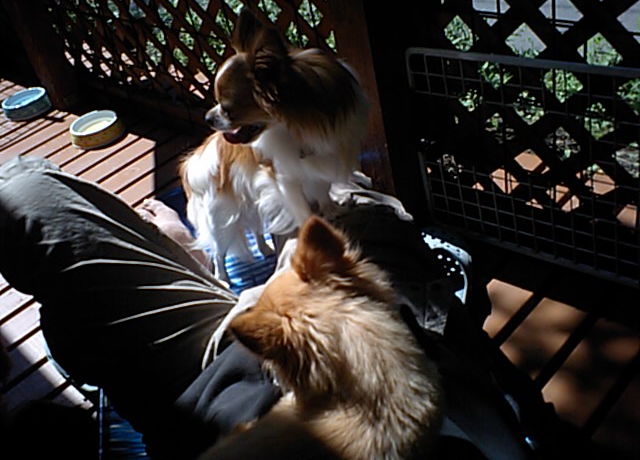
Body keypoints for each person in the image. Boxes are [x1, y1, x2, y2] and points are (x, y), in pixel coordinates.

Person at [0, 155, 543, 459]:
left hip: (210, 392)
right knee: (364, 209)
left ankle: (195, 265)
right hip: (297, 364)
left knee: (23, 197)